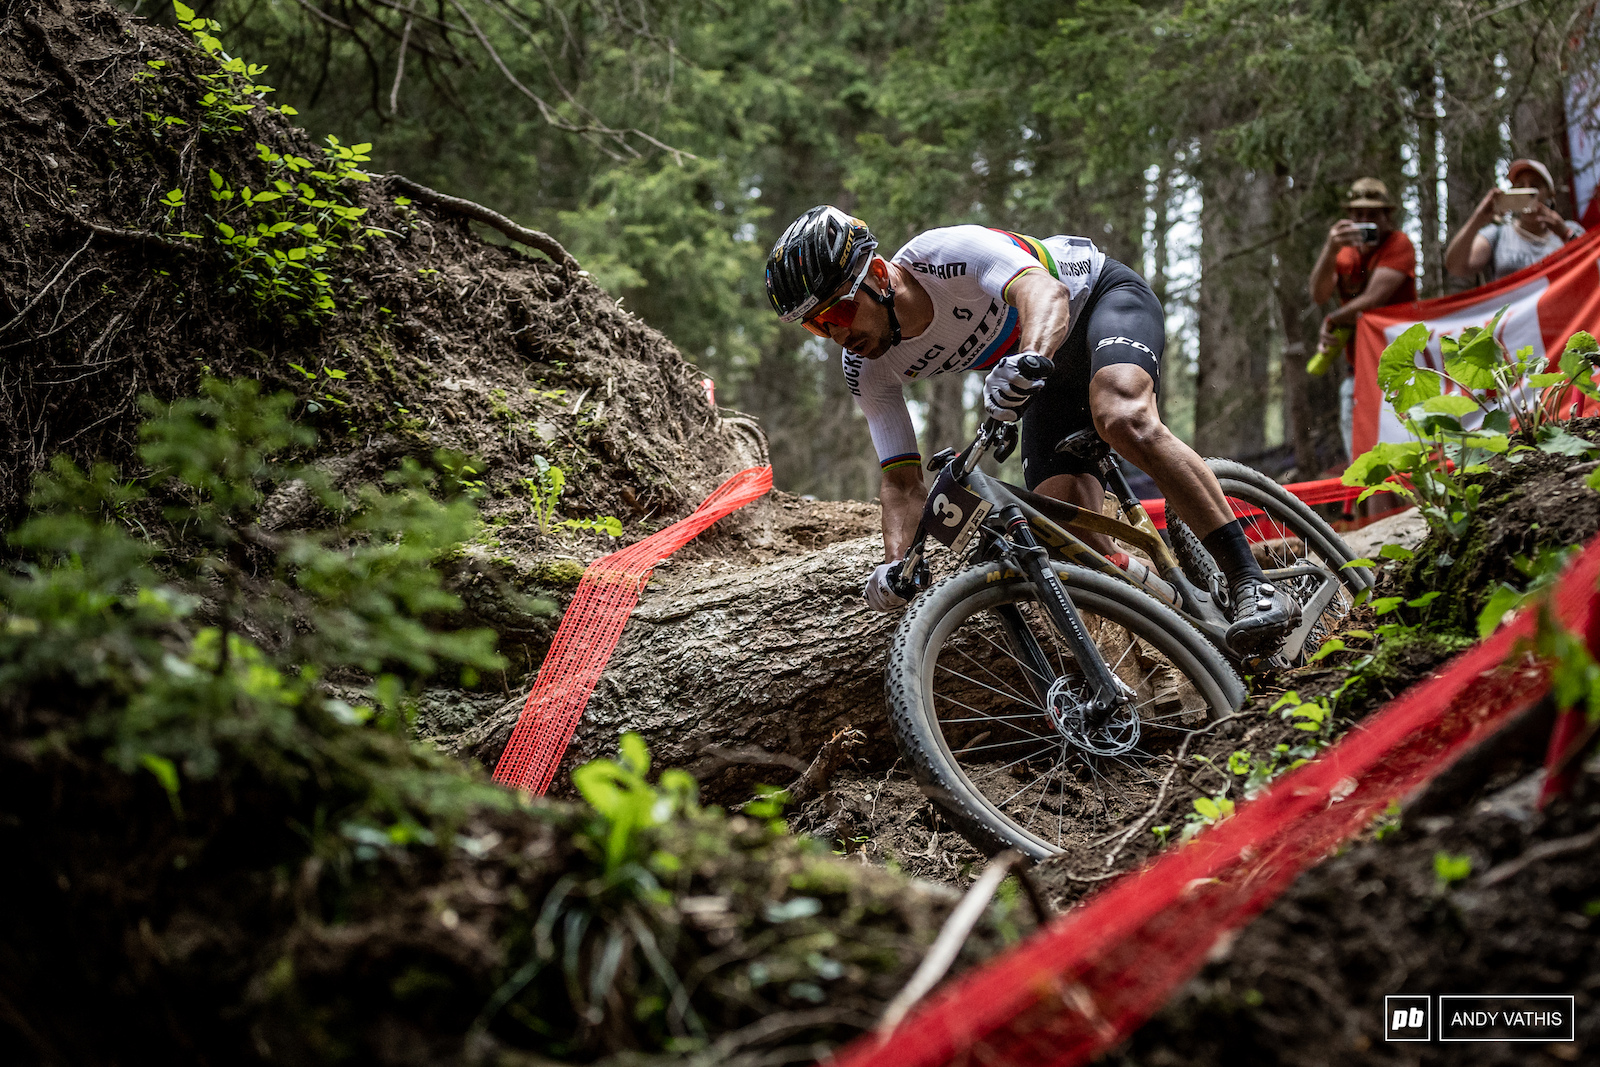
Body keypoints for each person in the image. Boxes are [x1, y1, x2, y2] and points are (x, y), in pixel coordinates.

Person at [763, 206, 1301, 653]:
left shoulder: (948, 254)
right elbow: (902, 483)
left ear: (878, 276)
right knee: (1073, 539)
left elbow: (1045, 295)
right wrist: (897, 567)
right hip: (1040, 368)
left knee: (1122, 416)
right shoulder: (867, 366)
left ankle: (1250, 580)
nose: (836, 335)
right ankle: (1188, 615)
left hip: (1096, 305)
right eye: (816, 326)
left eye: (839, 312)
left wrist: (1028, 360)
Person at [1307, 177, 1418, 461]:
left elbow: (1373, 298)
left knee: (1403, 454)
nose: (1365, 220)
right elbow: (1319, 294)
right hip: (1357, 369)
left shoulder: (1399, 244)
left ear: (1387, 216)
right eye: (1358, 215)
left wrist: (1332, 319)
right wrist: (1329, 250)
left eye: (1372, 214)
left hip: (1400, 367)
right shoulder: (1343, 253)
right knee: (1361, 459)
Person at [1443, 158, 1585, 282]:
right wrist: (1478, 219)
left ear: (1550, 194)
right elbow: (1455, 267)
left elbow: (1593, 268)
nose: (1526, 191)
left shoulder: (1571, 229)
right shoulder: (1498, 234)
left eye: (1534, 186)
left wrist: (1566, 234)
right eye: (1520, 186)